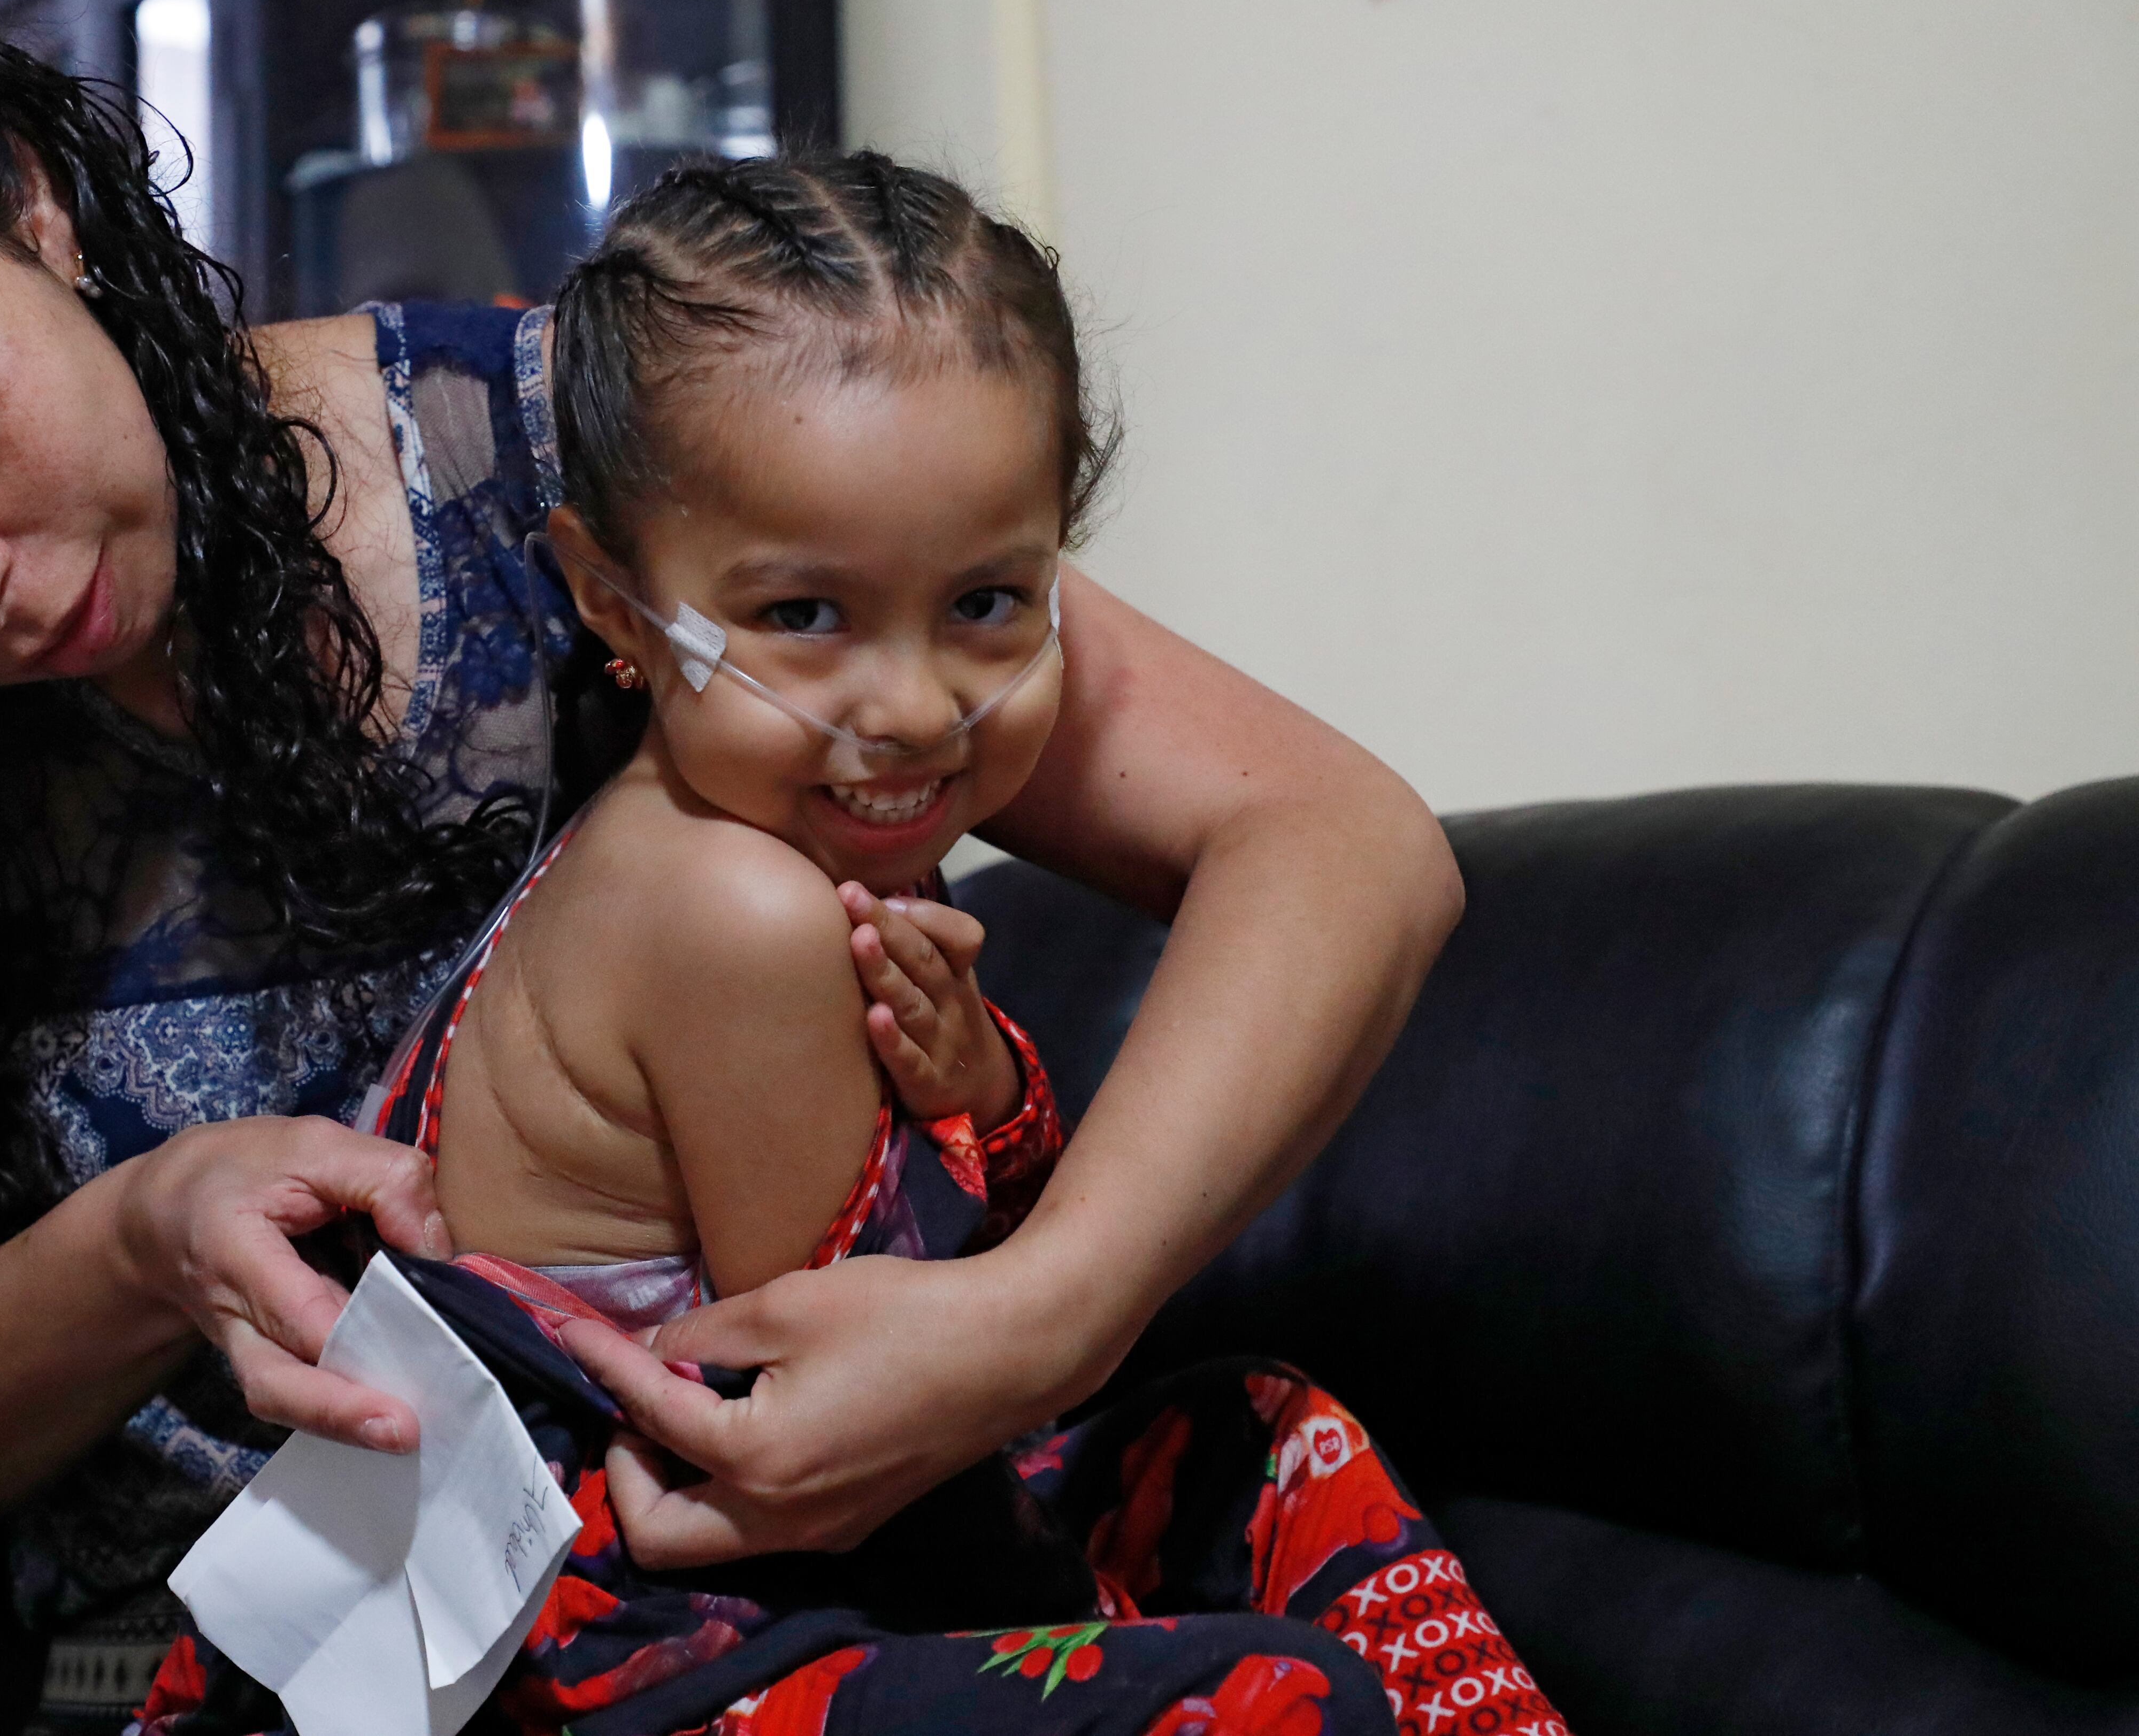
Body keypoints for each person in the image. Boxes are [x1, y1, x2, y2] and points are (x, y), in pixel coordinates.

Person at [0, 0, 1463, 1731]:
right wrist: (133, 1251)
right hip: (250, 1662)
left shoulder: (577, 466)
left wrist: (1039, 1318)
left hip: (817, 1563)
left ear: (25, 193)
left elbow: (1333, 839)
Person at [126, 152, 1562, 1736]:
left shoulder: (786, 856)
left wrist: (976, 1086)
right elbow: (866, 1379)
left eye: (990, 603)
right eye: (805, 615)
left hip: (799, 1542)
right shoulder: (729, 910)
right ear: (611, 602)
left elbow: (949, 1343)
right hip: (613, 1632)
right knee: (1269, 1698)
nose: (915, 704)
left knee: (1268, 1438)